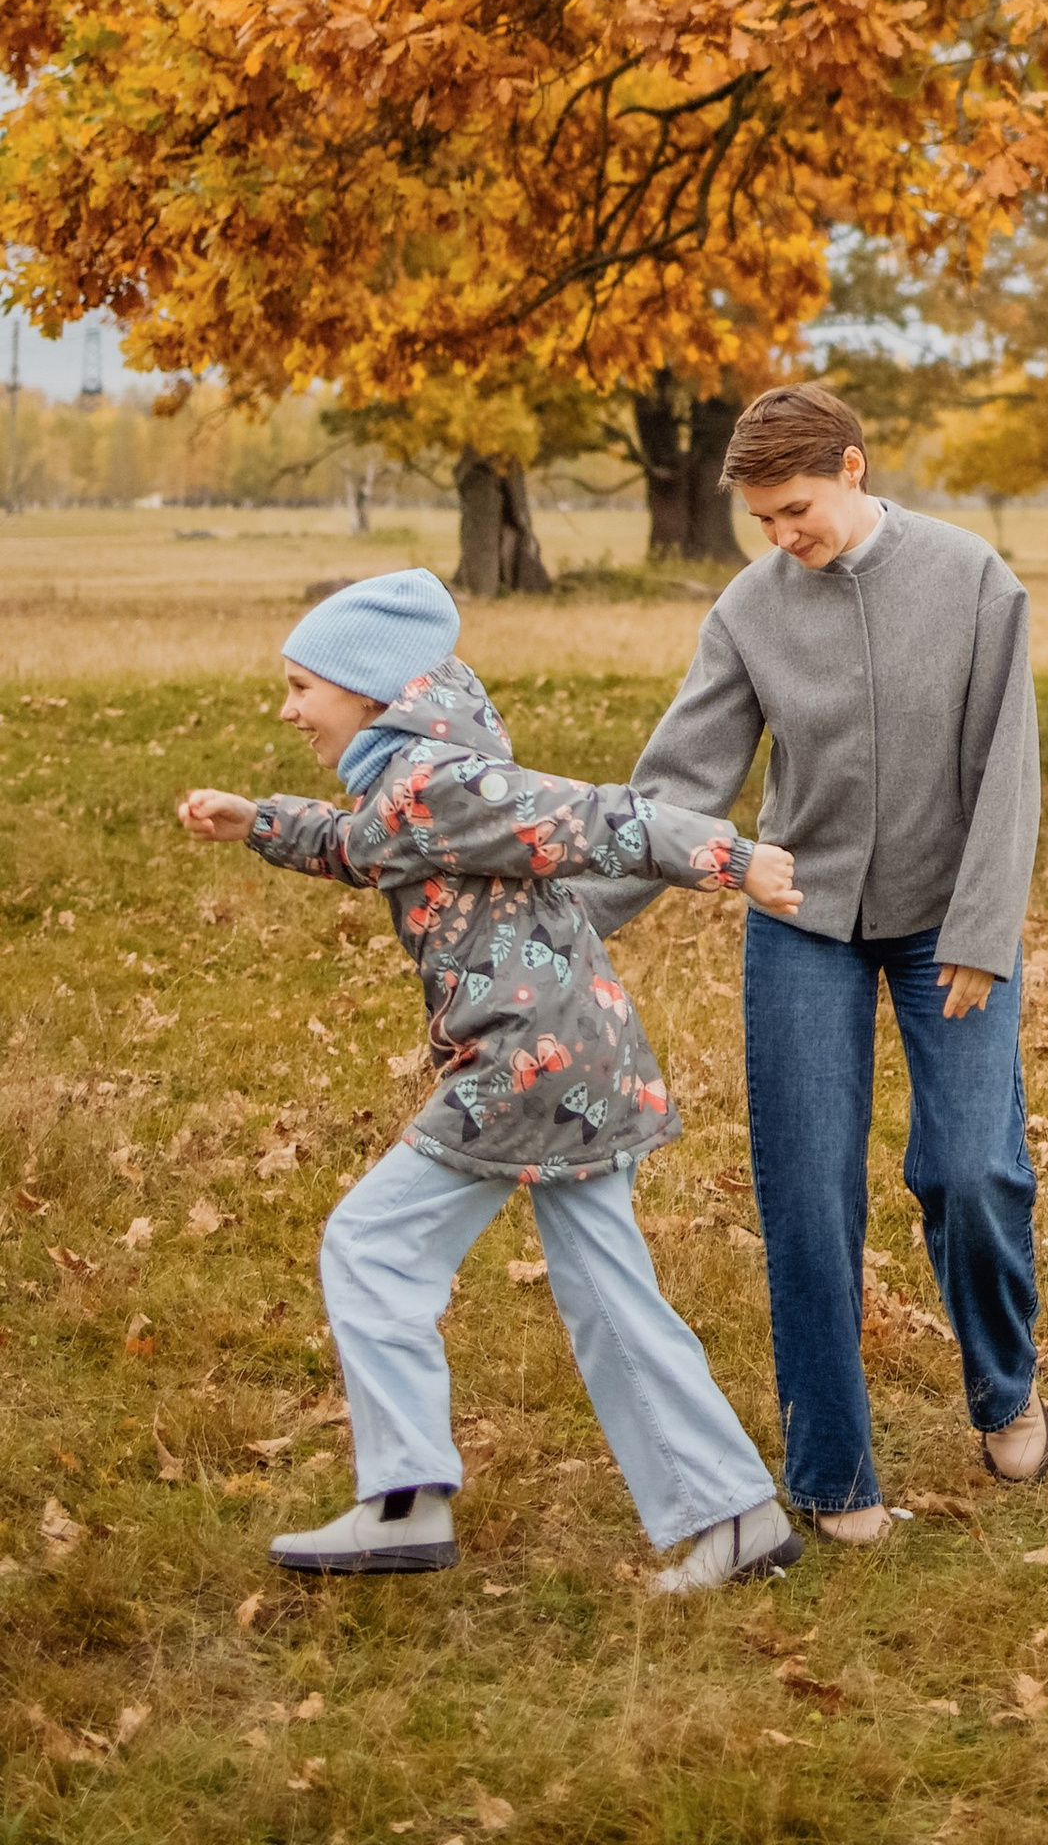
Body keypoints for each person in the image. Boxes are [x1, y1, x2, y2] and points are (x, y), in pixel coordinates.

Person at [177, 563, 806, 1592]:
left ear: (370, 688)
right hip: (578, 1058)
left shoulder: (441, 781)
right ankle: (734, 1518)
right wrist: (258, 822)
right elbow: (363, 846)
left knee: (373, 1245)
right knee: (608, 1289)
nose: (288, 709)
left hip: (528, 1065)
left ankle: (403, 1498)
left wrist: (729, 858)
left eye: (303, 686)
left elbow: (599, 818)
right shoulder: (411, 787)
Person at [581, 385, 1043, 1542]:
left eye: (796, 509)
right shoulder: (749, 610)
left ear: (851, 466)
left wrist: (984, 935)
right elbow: (679, 787)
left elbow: (1009, 769)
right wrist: (575, 917)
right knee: (808, 1195)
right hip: (803, 923)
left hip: (951, 922)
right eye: (764, 521)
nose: (784, 537)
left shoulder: (974, 579)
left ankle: (1005, 1383)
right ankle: (834, 1469)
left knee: (971, 1167)